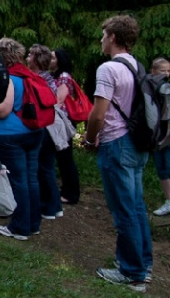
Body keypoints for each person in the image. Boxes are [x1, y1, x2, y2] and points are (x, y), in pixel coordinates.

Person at [84, 15, 152, 293]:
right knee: (136, 206)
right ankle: (142, 265)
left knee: (124, 209)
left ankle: (131, 272)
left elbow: (98, 114)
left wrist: (89, 139)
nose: (101, 40)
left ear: (112, 36)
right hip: (137, 142)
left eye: (103, 35)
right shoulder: (137, 66)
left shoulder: (108, 69)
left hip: (116, 142)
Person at [0, 38, 44, 240]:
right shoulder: (29, 76)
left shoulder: (9, 78)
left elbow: (3, 111)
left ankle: (20, 227)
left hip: (10, 135)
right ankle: (33, 222)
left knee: (18, 180)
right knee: (31, 178)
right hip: (34, 131)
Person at [27, 44, 64, 220]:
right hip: (48, 126)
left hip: (44, 127)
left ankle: (48, 206)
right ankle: (54, 205)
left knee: (43, 167)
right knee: (47, 167)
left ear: (36, 59)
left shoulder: (39, 80)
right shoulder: (48, 78)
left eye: (29, 55)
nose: (27, 58)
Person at [50, 48, 82, 205]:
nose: (50, 60)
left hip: (63, 120)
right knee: (62, 157)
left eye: (53, 58)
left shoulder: (64, 77)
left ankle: (71, 193)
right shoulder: (55, 76)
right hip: (59, 119)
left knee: (65, 157)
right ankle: (66, 189)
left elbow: (60, 99)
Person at [150, 57, 170, 216]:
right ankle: (169, 200)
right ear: (153, 71)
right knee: (162, 169)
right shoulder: (149, 86)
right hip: (158, 135)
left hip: (166, 135)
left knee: (166, 167)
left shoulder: (166, 89)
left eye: (168, 71)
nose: (166, 74)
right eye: (162, 71)